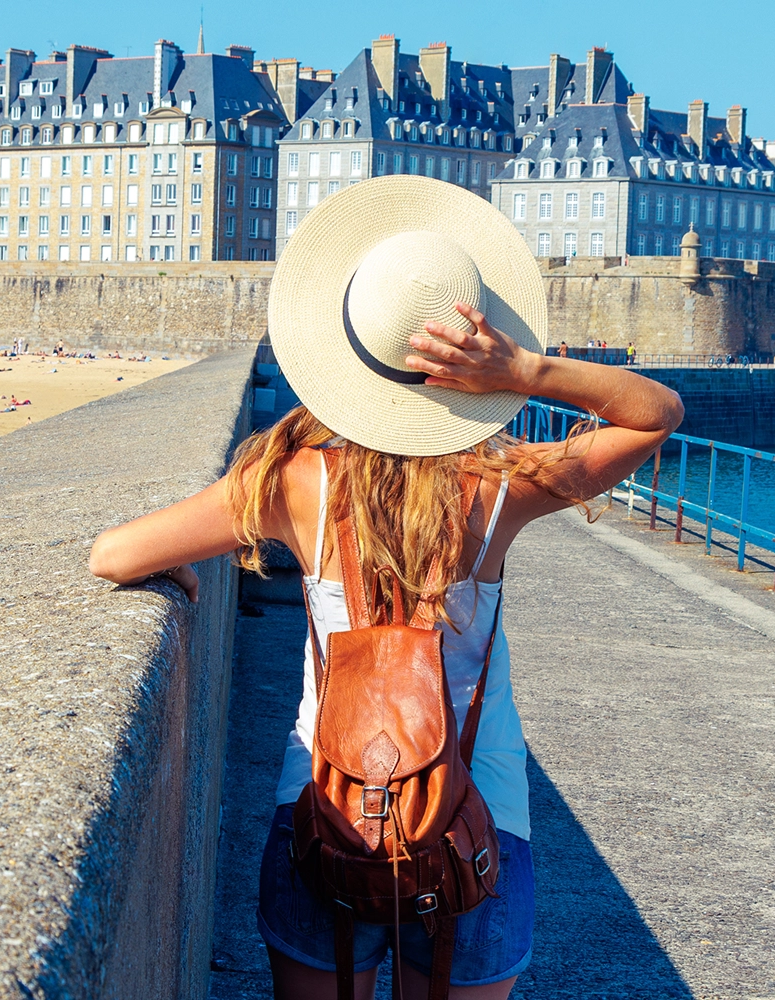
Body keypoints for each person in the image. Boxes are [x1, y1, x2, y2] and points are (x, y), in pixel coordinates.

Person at [87, 176, 683, 1000]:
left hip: (322, 814)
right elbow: (656, 413)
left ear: (344, 350)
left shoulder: (291, 481)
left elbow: (113, 556)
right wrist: (525, 370)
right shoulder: (500, 486)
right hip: (480, 823)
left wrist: (184, 561)